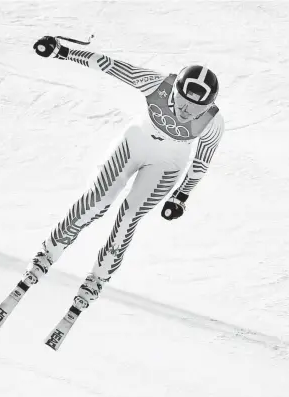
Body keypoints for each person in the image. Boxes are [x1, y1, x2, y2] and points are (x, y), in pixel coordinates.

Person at [22, 35, 225, 312]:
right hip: (134, 145)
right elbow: (110, 65)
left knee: (129, 216)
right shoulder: (157, 84)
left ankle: (98, 278)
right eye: (182, 101)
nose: (187, 111)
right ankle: (47, 253)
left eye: (197, 107)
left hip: (167, 166)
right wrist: (62, 51)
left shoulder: (213, 122)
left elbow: (201, 163)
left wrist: (181, 196)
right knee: (97, 201)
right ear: (174, 89)